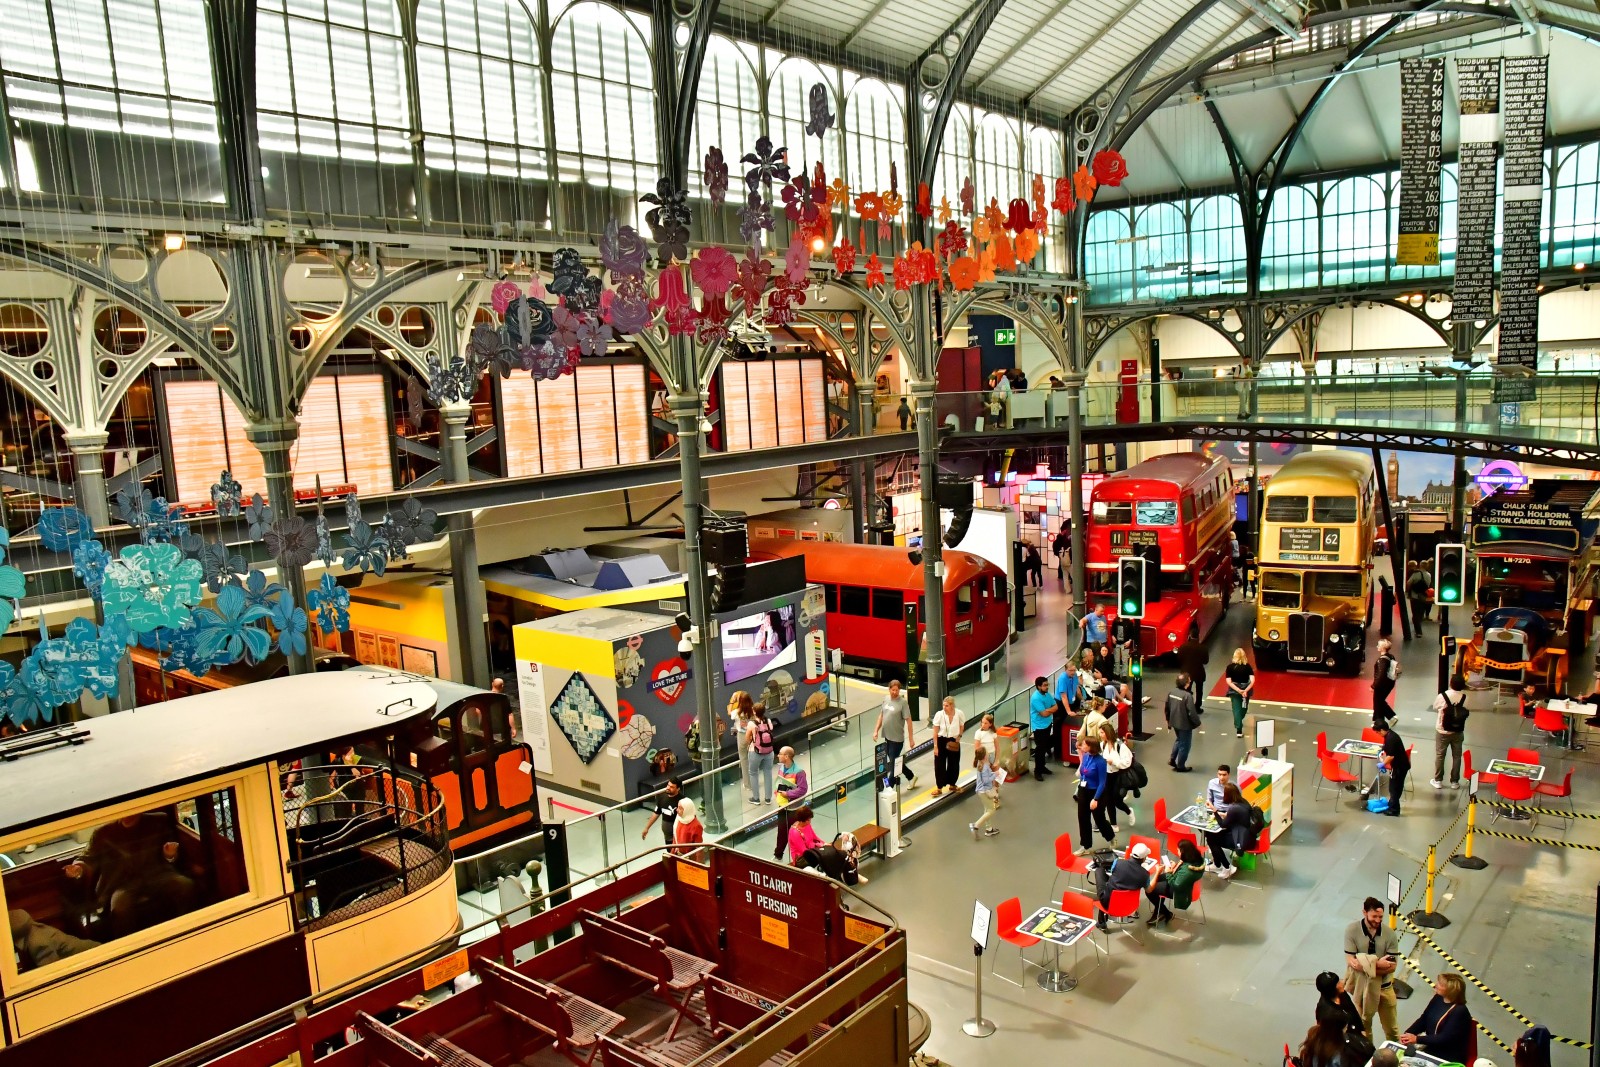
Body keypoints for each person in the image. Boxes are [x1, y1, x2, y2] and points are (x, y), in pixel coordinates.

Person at [66, 811, 197, 938]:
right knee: (120, 908)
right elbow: (86, 858)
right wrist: (78, 868)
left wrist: (169, 854)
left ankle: (188, 931)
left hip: (156, 875)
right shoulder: (103, 833)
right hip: (122, 884)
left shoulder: (158, 821)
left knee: (186, 885)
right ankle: (129, 945)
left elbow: (171, 850)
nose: (127, 815)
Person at [1344, 895, 1402, 1042]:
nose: (1377, 920)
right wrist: (1378, 964)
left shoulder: (1389, 934)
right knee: (1364, 1028)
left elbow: (1391, 967)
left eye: (1380, 917)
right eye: (1374, 916)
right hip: (1363, 987)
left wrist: (1365, 964)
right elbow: (1351, 962)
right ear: (1364, 912)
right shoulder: (1352, 930)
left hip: (1384, 987)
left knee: (1392, 1029)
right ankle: (1369, 1053)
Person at [1402, 972, 1474, 1064]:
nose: (1436, 985)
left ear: (1450, 990)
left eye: (1440, 984)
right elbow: (1424, 1019)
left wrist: (1416, 1039)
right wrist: (1408, 1034)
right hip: (1431, 1045)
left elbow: (1444, 1038)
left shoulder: (1459, 1011)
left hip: (1446, 1054)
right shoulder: (1438, 998)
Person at [1146, 837, 1206, 924]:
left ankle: (1167, 913)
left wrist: (1168, 872)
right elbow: (1183, 872)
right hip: (1186, 884)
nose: (1177, 852)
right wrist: (1176, 867)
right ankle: (1159, 910)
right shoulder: (1195, 859)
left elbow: (1176, 885)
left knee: (1149, 889)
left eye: (1178, 850)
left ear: (1183, 852)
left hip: (1180, 892)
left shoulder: (1187, 871)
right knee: (1156, 880)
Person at [1073, 737, 1117, 856]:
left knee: (1099, 819)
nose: (1082, 746)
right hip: (1084, 790)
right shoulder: (1086, 756)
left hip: (1096, 792)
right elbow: (1083, 772)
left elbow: (1102, 783)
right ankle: (1085, 845)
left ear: (1091, 747)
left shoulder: (1101, 762)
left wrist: (1095, 799)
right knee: (1083, 818)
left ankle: (1111, 837)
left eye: (1084, 744)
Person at [1096, 840, 1153, 928]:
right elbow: (1149, 890)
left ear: (1131, 854)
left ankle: (1101, 923)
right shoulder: (1145, 875)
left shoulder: (1118, 862)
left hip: (1108, 904)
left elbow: (1112, 872)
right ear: (1144, 858)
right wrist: (1158, 873)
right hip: (1130, 906)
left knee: (1099, 871)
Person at [872, 680, 916, 789]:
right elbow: (881, 716)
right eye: (893, 690)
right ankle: (911, 776)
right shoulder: (886, 699)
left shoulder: (903, 703)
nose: (895, 692)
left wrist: (911, 739)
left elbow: (909, 721)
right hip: (887, 737)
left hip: (897, 739)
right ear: (889, 689)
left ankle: (889, 787)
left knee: (892, 765)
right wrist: (876, 730)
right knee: (895, 761)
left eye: (897, 690)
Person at [1204, 781, 1253, 878]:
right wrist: (1221, 814)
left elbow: (1223, 824)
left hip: (1239, 839)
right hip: (1245, 834)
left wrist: (1214, 810)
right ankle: (1217, 864)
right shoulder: (1243, 802)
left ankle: (1227, 867)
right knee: (1209, 835)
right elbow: (1232, 817)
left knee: (1212, 840)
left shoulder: (1234, 808)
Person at [1432, 673, 1470, 789]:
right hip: (1458, 731)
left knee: (1440, 755)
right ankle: (1454, 782)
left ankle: (1438, 780)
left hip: (1442, 731)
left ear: (1451, 683)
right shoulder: (1465, 697)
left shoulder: (1442, 696)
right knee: (1457, 756)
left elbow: (1435, 707)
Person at [1098, 721, 1134, 828]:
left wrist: (1113, 762)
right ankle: (1113, 824)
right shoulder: (1102, 745)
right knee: (1109, 800)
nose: (1100, 734)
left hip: (1118, 775)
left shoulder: (1120, 746)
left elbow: (1127, 762)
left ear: (1108, 733)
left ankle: (1129, 811)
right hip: (1107, 775)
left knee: (1117, 800)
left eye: (1102, 732)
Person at [1316, 971, 1367, 1045]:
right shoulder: (1326, 1012)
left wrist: (1362, 1030)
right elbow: (1331, 1037)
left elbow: (1353, 1011)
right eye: (1338, 983)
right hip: (1341, 1043)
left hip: (1353, 1034)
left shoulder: (1342, 994)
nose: (1342, 983)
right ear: (1332, 989)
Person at [1166, 672, 1201, 772]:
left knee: (1179, 740)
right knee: (1185, 745)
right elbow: (1192, 712)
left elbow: (1167, 707)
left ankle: (1172, 759)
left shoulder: (1172, 692)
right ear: (1186, 683)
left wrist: (1168, 721)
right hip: (1184, 724)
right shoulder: (1187, 696)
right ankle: (1181, 766)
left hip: (1174, 721)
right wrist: (1197, 723)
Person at [1375, 720, 1410, 816]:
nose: (1378, 734)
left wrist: (1383, 764)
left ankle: (1394, 810)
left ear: (1382, 730)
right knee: (1395, 787)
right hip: (1401, 765)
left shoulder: (1391, 738)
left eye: (1378, 732)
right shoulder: (1390, 735)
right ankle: (1392, 804)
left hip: (1399, 766)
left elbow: (1391, 756)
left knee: (1394, 788)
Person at [932, 695, 963, 796]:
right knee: (939, 764)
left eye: (946, 706)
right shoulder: (939, 715)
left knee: (954, 763)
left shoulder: (959, 713)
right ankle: (939, 787)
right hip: (941, 740)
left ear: (952, 706)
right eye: (943, 705)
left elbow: (962, 725)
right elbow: (935, 732)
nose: (944, 708)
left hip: (953, 740)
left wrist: (959, 736)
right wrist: (935, 746)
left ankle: (952, 784)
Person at [727, 690, 756, 801]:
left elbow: (729, 712)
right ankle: (754, 781)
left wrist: (732, 701)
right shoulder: (753, 710)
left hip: (742, 736)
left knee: (744, 760)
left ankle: (748, 785)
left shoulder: (737, 712)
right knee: (753, 759)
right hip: (752, 735)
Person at [747, 704, 777, 805]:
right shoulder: (768, 721)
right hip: (769, 751)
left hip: (755, 751)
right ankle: (768, 799)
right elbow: (770, 730)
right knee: (768, 772)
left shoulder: (751, 724)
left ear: (754, 712)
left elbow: (747, 738)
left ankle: (756, 798)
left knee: (753, 773)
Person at [969, 744, 1002, 838]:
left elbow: (985, 776)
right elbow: (986, 780)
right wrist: (996, 774)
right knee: (992, 810)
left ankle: (989, 829)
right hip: (984, 791)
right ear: (985, 756)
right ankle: (976, 825)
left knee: (987, 809)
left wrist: (993, 773)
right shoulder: (985, 767)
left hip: (981, 791)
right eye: (987, 753)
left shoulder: (981, 764)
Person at [1028, 676, 1057, 782]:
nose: (1047, 687)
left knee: (1044, 747)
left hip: (1047, 724)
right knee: (1040, 750)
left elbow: (1056, 707)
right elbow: (1043, 714)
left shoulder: (1047, 694)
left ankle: (1042, 767)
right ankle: (1037, 771)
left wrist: (1047, 710)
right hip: (1039, 727)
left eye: (1047, 684)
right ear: (1038, 686)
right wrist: (1049, 710)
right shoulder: (1036, 698)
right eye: (1044, 685)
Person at [1053, 665, 1081, 767]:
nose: (1073, 672)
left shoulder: (1075, 676)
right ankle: (1058, 753)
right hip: (1061, 704)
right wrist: (1068, 711)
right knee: (1059, 728)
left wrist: (1082, 700)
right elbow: (1063, 696)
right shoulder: (1062, 678)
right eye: (1070, 670)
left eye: (1074, 670)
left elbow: (1077, 688)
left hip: (1071, 701)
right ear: (1066, 670)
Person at [641, 778, 683, 844]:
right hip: (667, 837)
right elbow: (656, 813)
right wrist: (647, 828)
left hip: (678, 837)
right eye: (668, 785)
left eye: (672, 787)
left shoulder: (682, 801)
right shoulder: (662, 798)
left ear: (678, 789)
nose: (668, 788)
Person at [1224, 648, 1255, 738]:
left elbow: (1229, 681)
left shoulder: (1230, 667)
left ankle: (1238, 726)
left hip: (1234, 691)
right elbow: (1252, 680)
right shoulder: (1248, 667)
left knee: (1236, 709)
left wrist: (1238, 690)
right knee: (1244, 708)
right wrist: (1245, 690)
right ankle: (1239, 725)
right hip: (1246, 691)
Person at [1371, 638, 1398, 729]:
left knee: (1378, 703)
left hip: (1381, 685)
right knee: (1380, 701)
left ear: (1383, 648)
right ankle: (1383, 720)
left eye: (1378, 645)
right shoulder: (1391, 657)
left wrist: (1373, 686)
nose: (1377, 647)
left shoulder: (1382, 660)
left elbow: (1380, 675)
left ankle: (1381, 721)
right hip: (1390, 683)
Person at [1177, 625, 1209, 702]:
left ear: (1190, 635)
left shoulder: (1183, 647)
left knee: (1187, 690)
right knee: (1199, 690)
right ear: (1198, 636)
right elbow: (1205, 661)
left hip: (1186, 672)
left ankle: (1187, 704)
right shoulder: (1203, 648)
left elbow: (1179, 659)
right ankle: (1198, 705)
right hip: (1199, 672)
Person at [1407, 561, 1431, 626]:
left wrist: (1410, 590)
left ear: (1420, 565)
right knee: (1421, 611)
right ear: (1427, 566)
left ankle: (1416, 626)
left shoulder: (1416, 574)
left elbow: (1408, 583)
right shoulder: (1429, 575)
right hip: (1423, 596)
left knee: (1415, 612)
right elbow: (1428, 585)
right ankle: (1419, 622)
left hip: (1414, 595)